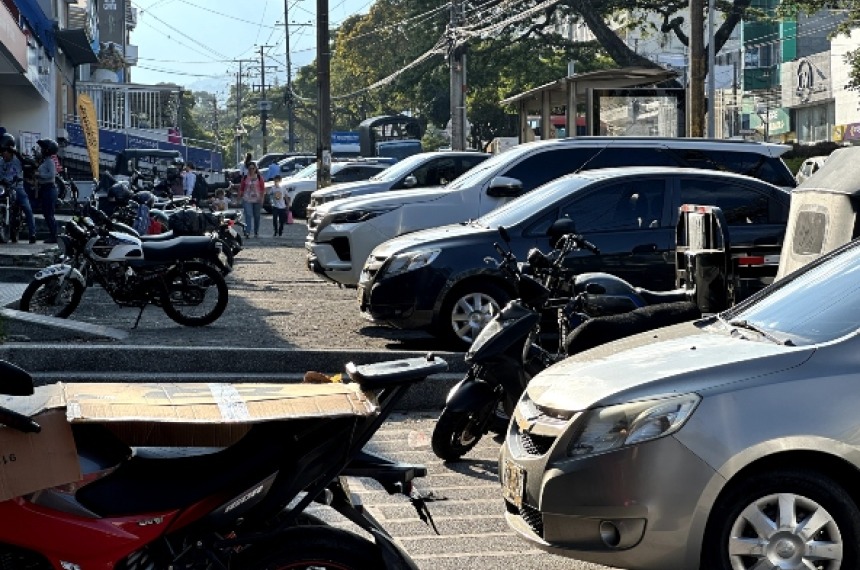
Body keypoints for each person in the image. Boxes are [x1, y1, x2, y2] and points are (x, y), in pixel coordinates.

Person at [0, 133, 37, 244]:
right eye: (1, 152)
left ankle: (32, 233)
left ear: (10, 151)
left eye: (4, 151)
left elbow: (31, 164)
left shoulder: (19, 160)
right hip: (3, 188)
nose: (3, 154)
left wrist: (18, 153)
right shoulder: (0, 162)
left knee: (28, 209)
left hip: (17, 188)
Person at [35, 138, 59, 244]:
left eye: (43, 148)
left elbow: (51, 175)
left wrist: (40, 175)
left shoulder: (50, 161)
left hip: (49, 189)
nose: (41, 150)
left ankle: (54, 236)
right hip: (45, 189)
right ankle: (53, 235)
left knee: (49, 214)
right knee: (47, 214)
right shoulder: (46, 161)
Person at [238, 162, 264, 238]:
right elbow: (241, 188)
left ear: (255, 169)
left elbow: (262, 190)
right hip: (247, 199)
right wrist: (238, 198)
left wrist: (262, 199)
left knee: (257, 216)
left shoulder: (259, 177)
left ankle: (256, 231)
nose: (251, 170)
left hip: (257, 200)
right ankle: (247, 231)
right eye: (249, 168)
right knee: (248, 215)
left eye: (253, 168)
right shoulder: (245, 177)